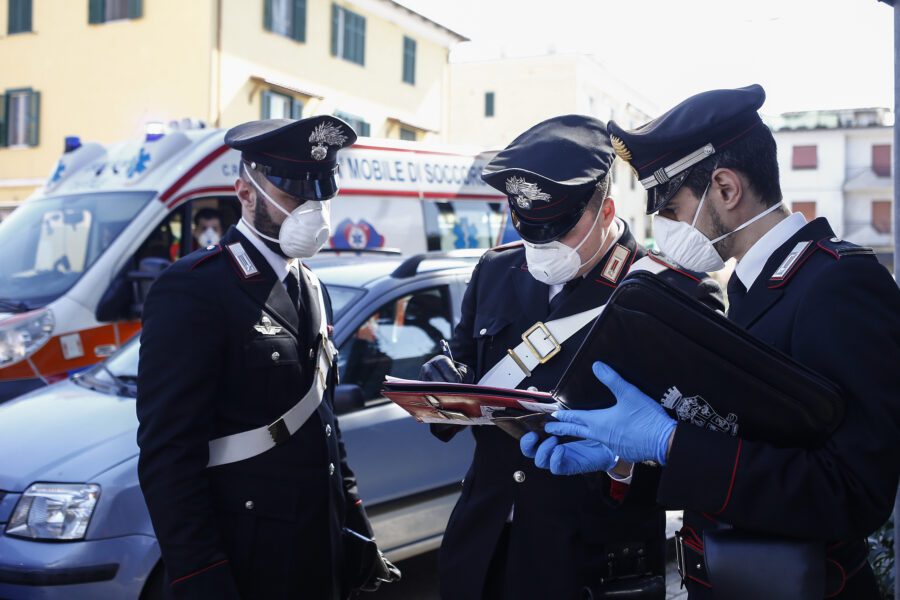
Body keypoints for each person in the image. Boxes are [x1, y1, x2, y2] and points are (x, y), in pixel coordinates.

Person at [522, 85, 900, 599]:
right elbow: (739, 441)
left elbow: (854, 491)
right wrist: (624, 458)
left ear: (725, 188)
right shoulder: (750, 286)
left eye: (673, 211)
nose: (666, 230)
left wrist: (668, 442)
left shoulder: (838, 284)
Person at [419, 114, 724, 599]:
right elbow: (467, 369)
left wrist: (622, 461)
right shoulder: (497, 270)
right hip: (482, 550)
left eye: (558, 229)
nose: (541, 245)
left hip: (589, 561)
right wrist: (444, 390)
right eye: (529, 229)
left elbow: (707, 454)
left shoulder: (674, 295)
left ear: (606, 210)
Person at [137, 115, 397, 599]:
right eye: (296, 191)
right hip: (249, 557)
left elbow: (323, 425)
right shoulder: (196, 289)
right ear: (246, 192)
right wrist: (202, 579)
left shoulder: (312, 286)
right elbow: (168, 454)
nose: (313, 208)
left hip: (317, 549)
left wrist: (354, 522)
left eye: (321, 190)